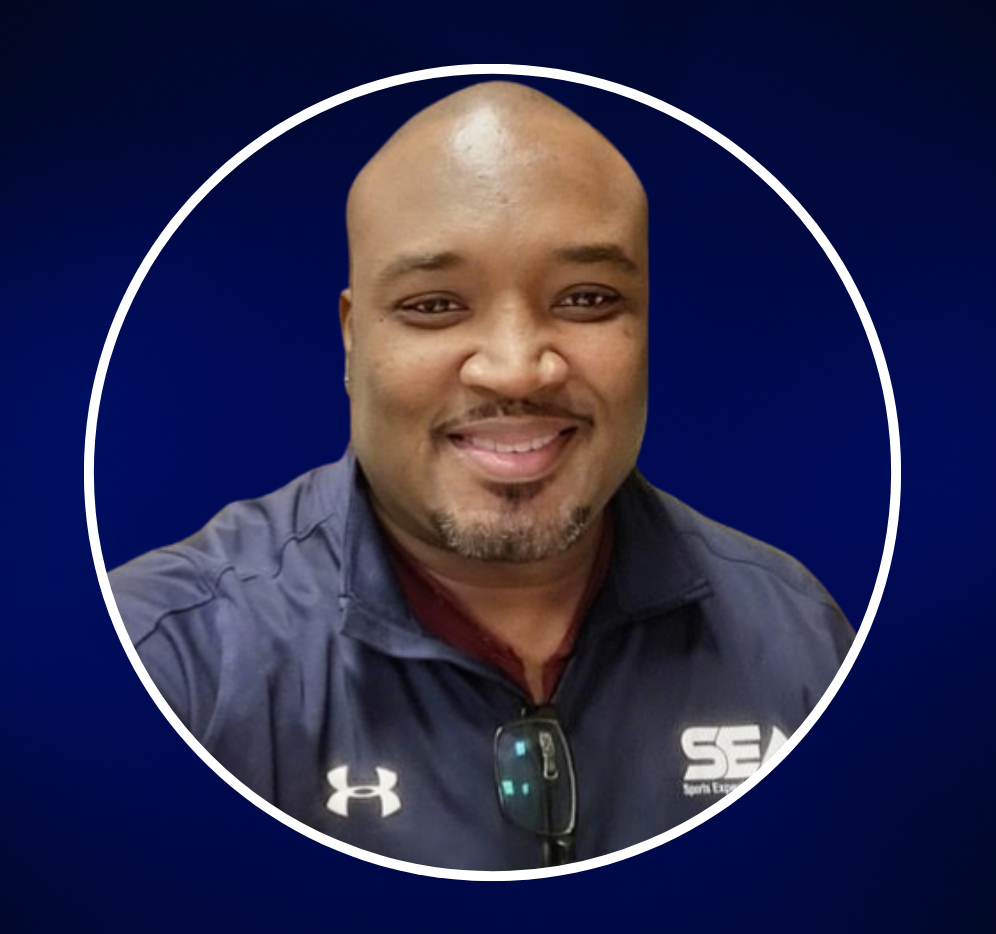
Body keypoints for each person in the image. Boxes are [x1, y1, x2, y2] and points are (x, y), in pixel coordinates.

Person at [110, 81, 854, 871]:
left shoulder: (800, 644)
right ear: (353, 340)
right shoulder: (167, 668)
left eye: (588, 299)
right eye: (435, 305)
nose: (514, 369)